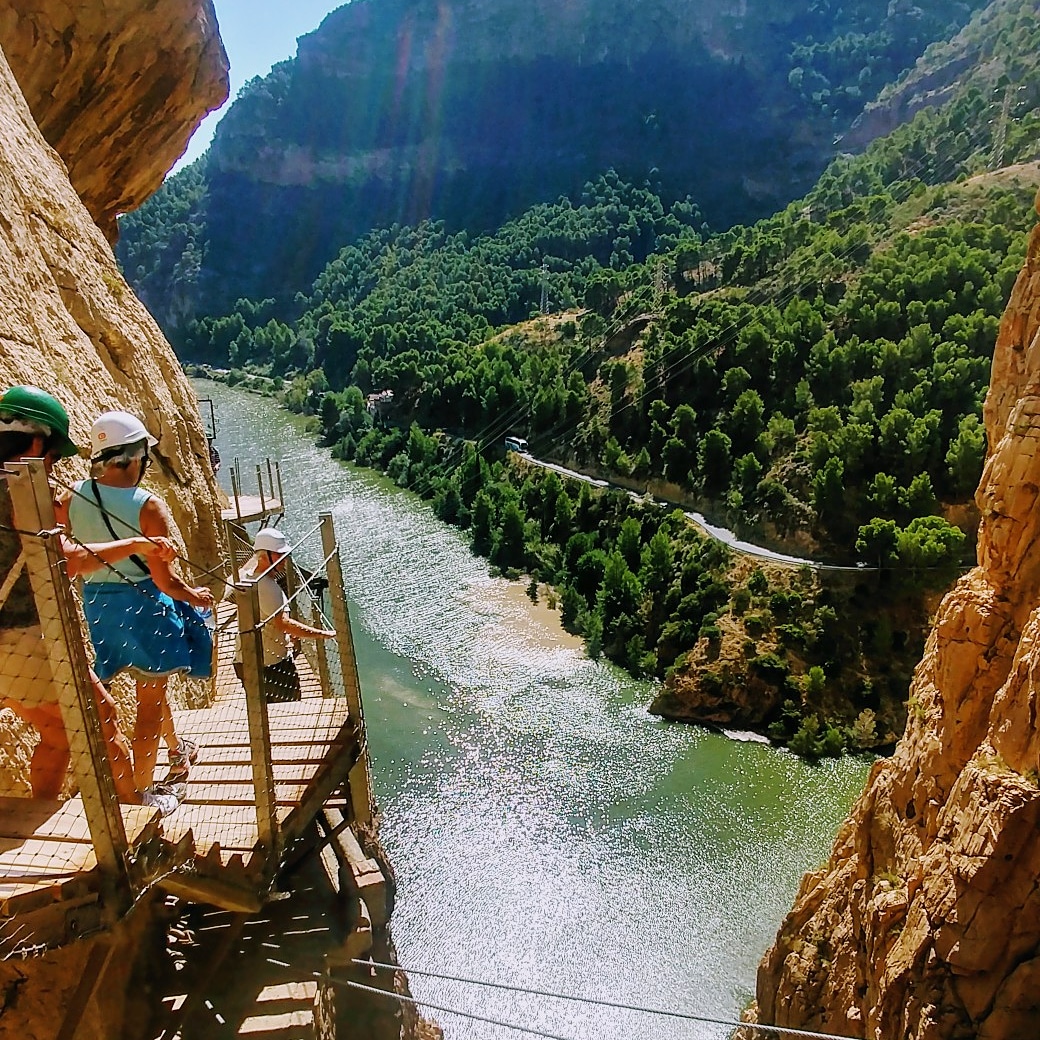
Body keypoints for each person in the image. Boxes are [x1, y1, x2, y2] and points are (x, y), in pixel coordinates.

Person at [0, 386, 176, 812]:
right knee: (99, 716)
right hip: (22, 636)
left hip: (14, 639)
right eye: (54, 455)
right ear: (38, 441)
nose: (52, 464)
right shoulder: (16, 488)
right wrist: (140, 544)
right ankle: (134, 809)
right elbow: (64, 560)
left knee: (64, 730)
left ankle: (41, 813)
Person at [65, 411, 214, 797]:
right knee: (149, 701)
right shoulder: (148, 507)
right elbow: (164, 580)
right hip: (144, 608)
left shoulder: (71, 497)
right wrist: (194, 596)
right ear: (136, 457)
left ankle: (177, 751)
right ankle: (144, 792)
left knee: (151, 689)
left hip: (99, 605)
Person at [235, 527, 335, 701]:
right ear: (264, 555)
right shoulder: (269, 587)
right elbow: (283, 623)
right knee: (291, 708)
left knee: (266, 712)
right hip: (271, 665)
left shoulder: (249, 578)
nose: (284, 559)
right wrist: (322, 634)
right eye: (279, 555)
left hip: (248, 661)